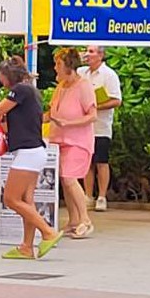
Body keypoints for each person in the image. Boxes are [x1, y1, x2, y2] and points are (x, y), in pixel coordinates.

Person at [0, 56, 63, 259]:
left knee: (11, 199)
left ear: (7, 76)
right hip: (33, 150)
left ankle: (48, 232)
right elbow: (10, 122)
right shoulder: (30, 92)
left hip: (28, 152)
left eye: (1, 78)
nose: (1, 82)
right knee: (26, 200)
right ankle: (26, 247)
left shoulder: (20, 90)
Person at [47, 47, 96, 239]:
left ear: (69, 66)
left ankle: (85, 220)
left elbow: (91, 116)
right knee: (65, 181)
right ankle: (73, 220)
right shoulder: (60, 87)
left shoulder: (83, 86)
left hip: (78, 141)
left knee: (69, 178)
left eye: (58, 64)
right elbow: (51, 113)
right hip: (59, 140)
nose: (55, 68)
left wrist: (68, 123)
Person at [78, 45, 122, 211]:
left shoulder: (109, 75)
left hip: (100, 127)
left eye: (91, 52)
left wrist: (95, 106)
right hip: (83, 126)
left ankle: (102, 196)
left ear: (101, 55)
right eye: (86, 51)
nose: (87, 55)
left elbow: (116, 100)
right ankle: (88, 195)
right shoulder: (81, 73)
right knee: (87, 162)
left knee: (101, 162)